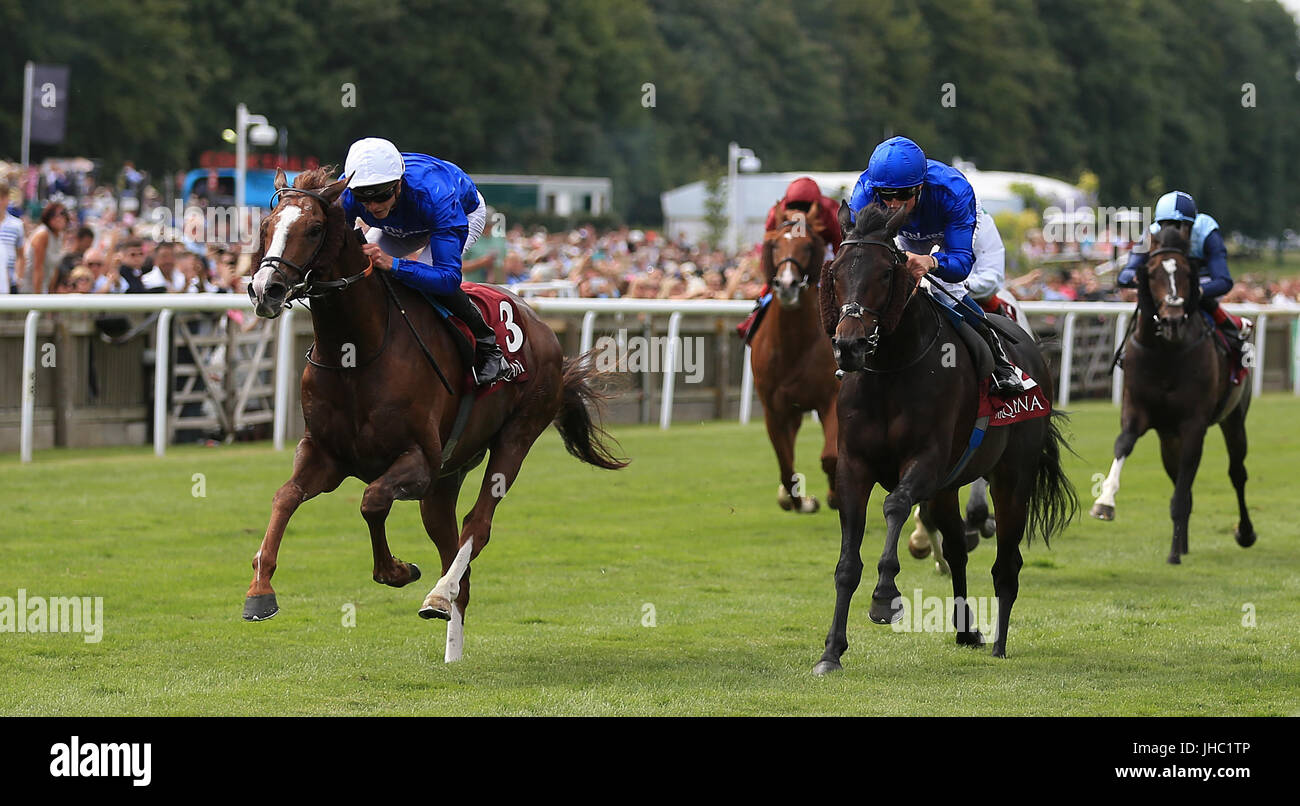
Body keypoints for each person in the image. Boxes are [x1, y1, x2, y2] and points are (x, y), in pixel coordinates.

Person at [848, 136, 1025, 394]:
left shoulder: (952, 192)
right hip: (905, 233)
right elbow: (858, 255)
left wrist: (931, 261)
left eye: (904, 194)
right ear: (876, 190)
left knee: (945, 287)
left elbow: (961, 264)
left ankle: (1001, 364)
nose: (894, 203)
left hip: (948, 230)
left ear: (919, 187)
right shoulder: (865, 194)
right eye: (887, 195)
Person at [341, 137, 506, 385]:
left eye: (381, 195)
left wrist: (395, 264)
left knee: (428, 281)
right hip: (401, 221)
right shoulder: (349, 193)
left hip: (458, 213)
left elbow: (448, 279)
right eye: (364, 197)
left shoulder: (436, 196)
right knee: (363, 269)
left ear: (398, 184)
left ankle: (488, 347)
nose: (373, 206)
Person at [1117, 190, 1251, 384]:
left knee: (1199, 303)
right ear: (1159, 224)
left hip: (1200, 283)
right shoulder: (1151, 234)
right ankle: (1129, 354)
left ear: (1190, 225)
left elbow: (1224, 280)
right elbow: (1125, 274)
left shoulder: (1207, 231)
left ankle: (1235, 339)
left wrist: (1196, 291)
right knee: (1150, 304)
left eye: (1178, 227)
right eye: (1165, 226)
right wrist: (1139, 278)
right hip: (1166, 285)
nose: (1171, 232)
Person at [736, 177, 845, 341]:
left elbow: (840, 247)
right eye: (794, 207)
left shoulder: (830, 210)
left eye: (804, 208)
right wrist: (769, 281)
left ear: (816, 205)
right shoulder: (775, 212)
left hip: (823, 249)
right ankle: (752, 323)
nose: (798, 213)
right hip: (788, 254)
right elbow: (768, 248)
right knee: (769, 290)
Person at [21, 201, 70, 294]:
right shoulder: (43, 235)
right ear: (48, 217)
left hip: (44, 287)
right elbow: (37, 268)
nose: (59, 218)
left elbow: (54, 268)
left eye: (63, 214)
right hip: (30, 288)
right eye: (54, 215)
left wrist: (51, 293)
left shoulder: (60, 236)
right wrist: (38, 298)